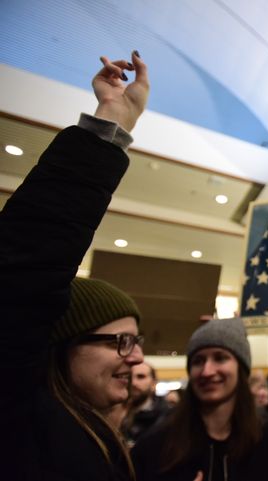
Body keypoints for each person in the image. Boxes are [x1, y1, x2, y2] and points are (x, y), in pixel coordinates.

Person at [0, 51, 148, 480]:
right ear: (62, 345)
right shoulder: (20, 420)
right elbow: (29, 263)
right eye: (120, 341)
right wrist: (110, 123)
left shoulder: (99, 434)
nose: (137, 358)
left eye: (135, 341)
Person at [131, 317, 268, 481]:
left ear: (240, 369)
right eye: (198, 361)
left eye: (220, 358)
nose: (207, 371)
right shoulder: (155, 446)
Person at [122, 362, 170, 446]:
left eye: (141, 377)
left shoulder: (166, 417)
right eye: (129, 377)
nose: (133, 383)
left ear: (153, 383)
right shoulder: (113, 413)